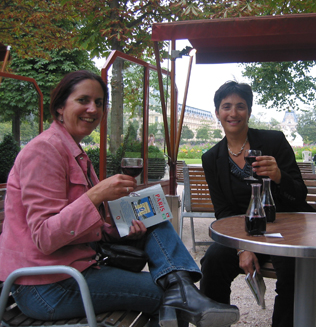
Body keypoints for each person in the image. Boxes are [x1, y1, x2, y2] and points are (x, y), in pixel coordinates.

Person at [0, 70, 239, 327]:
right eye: (83, 100)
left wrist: (118, 230)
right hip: (47, 285)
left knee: (153, 221)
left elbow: (81, 228)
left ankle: (181, 287)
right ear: (60, 107)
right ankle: (185, 292)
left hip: (73, 270)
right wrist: (95, 195)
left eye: (99, 103)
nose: (93, 109)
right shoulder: (44, 151)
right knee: (169, 298)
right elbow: (45, 237)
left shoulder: (72, 151)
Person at [200, 81, 315, 326]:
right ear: (218, 113)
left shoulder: (273, 142)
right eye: (226, 106)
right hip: (245, 233)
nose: (233, 113)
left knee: (293, 269)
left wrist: (279, 176)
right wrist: (243, 247)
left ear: (249, 112)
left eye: (240, 106)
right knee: (212, 261)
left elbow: (300, 195)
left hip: (286, 231)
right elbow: (223, 212)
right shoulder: (212, 158)